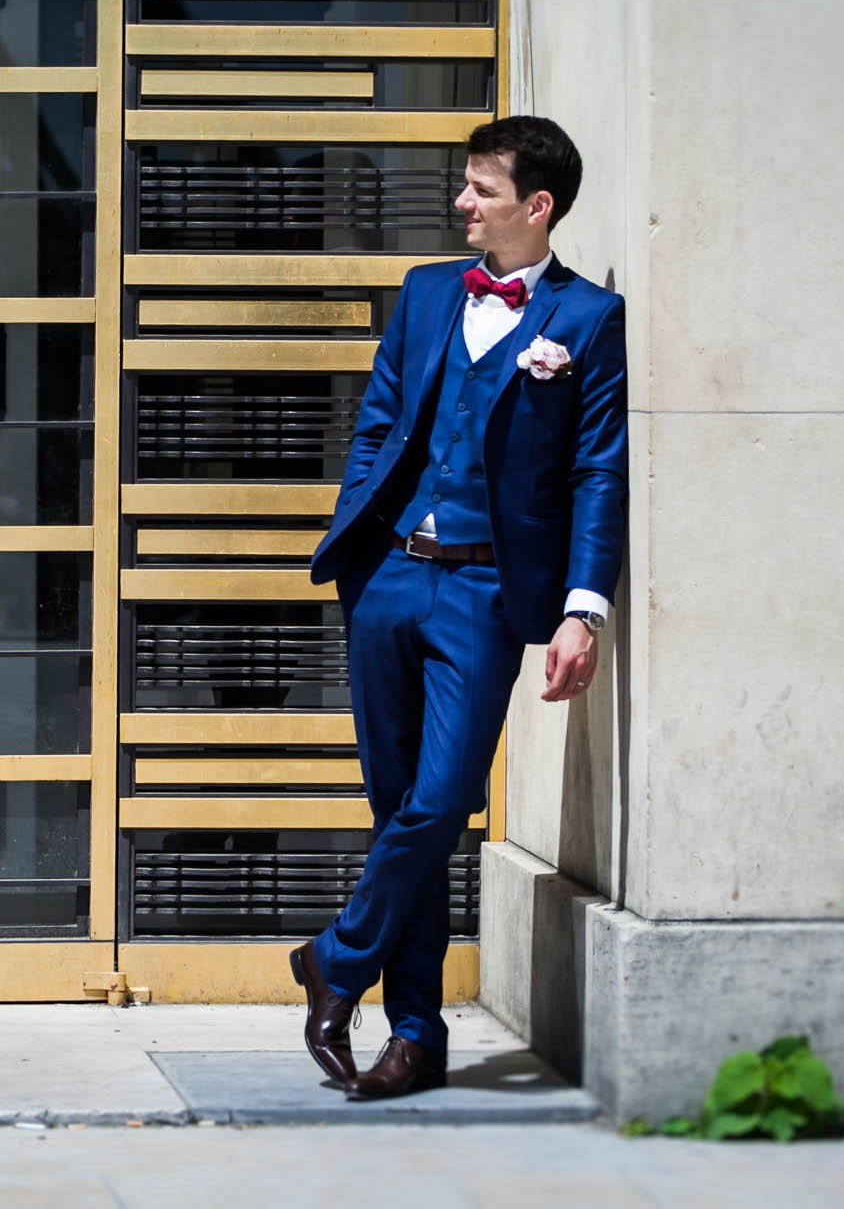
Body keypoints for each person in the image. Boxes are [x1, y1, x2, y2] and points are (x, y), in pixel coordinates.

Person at [295, 116, 627, 1100]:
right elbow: (381, 424)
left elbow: (597, 470)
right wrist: (359, 547)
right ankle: (415, 1036)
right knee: (401, 814)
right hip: (390, 577)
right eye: (464, 185)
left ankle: (335, 957)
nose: (461, 203)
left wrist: (583, 609)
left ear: (538, 205)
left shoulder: (588, 319)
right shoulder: (428, 291)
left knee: (441, 802)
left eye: (481, 188)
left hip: (485, 590)